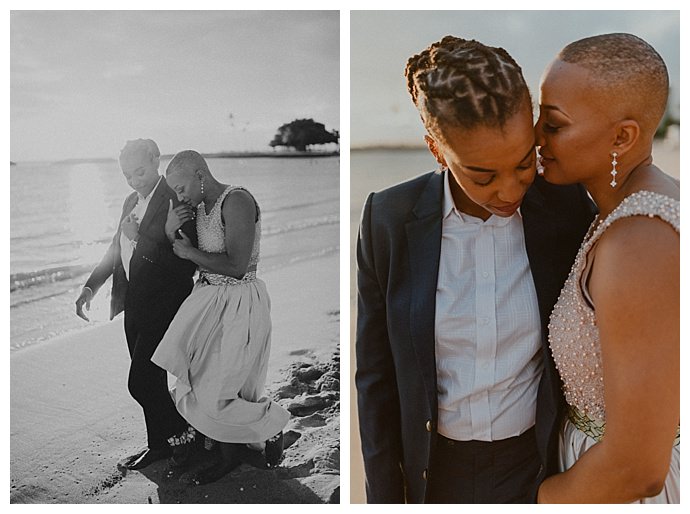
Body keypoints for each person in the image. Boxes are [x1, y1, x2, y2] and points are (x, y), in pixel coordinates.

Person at [355, 36, 597, 504]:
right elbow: (375, 377)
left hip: (540, 468)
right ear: (436, 150)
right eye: (483, 176)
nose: (510, 190)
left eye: (525, 163)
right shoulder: (388, 218)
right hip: (433, 474)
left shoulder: (566, 209)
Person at [535, 33, 679, 504]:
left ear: (623, 136)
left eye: (554, 125)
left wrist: (534, 501)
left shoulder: (639, 241)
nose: (535, 136)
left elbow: (636, 468)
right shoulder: (637, 208)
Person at [151, 150, 290, 485]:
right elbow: (188, 258)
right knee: (202, 382)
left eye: (182, 187)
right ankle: (233, 450)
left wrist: (189, 252)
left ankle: (271, 424)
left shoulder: (237, 200)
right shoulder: (199, 208)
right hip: (208, 300)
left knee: (221, 389)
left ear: (200, 174)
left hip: (239, 302)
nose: (180, 196)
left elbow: (237, 266)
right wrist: (172, 234)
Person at [74, 139, 197, 470]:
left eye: (140, 172)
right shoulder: (130, 200)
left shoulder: (176, 199)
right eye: (127, 175)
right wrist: (90, 287)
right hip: (133, 305)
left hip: (166, 304)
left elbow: (185, 265)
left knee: (139, 382)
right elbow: (116, 248)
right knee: (151, 382)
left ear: (156, 159)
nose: (134, 181)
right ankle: (158, 445)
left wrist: (140, 236)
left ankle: (182, 436)